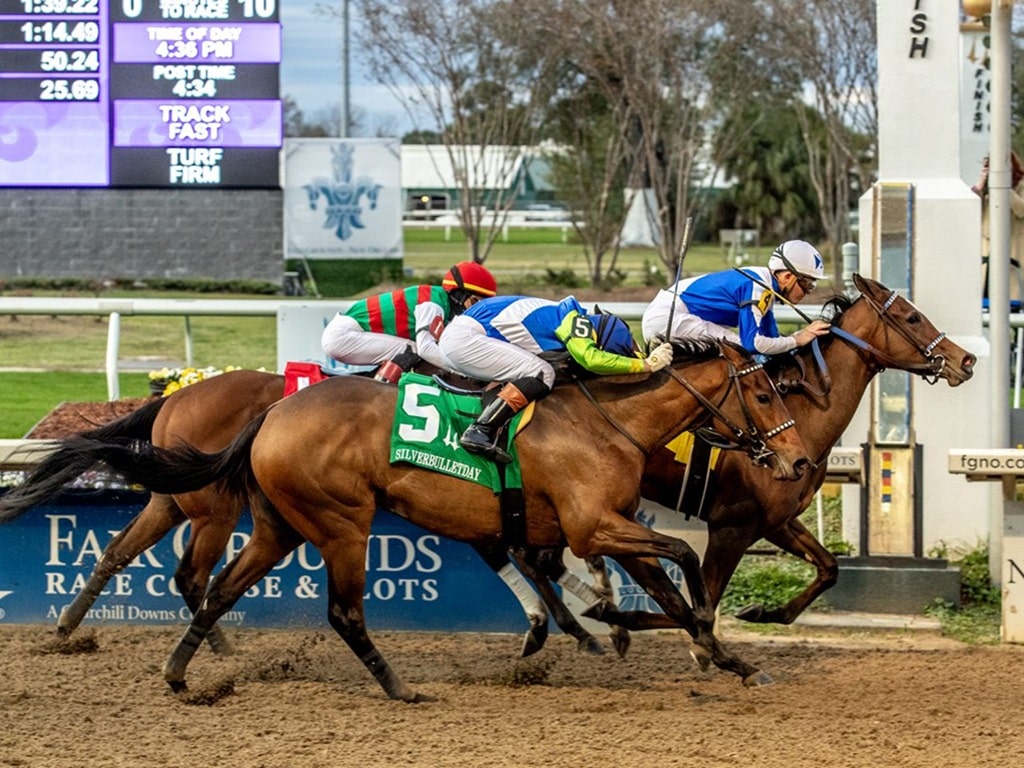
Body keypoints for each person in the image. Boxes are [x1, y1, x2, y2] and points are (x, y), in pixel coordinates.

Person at [439, 294, 673, 463]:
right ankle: (480, 430)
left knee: (537, 370)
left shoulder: (564, 316)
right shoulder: (576, 321)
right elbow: (591, 359)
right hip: (466, 338)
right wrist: (646, 365)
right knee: (542, 373)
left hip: (465, 336)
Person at [640, 239, 831, 358]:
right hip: (669, 317)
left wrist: (796, 343)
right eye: (807, 284)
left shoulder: (765, 288)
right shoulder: (758, 287)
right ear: (787, 277)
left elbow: (772, 339)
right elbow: (753, 344)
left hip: (671, 315)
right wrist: (798, 339)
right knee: (739, 351)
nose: (808, 292)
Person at [320, 261, 498, 383]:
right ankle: (381, 387)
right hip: (343, 336)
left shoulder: (439, 301)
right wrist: (465, 370)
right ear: (459, 294)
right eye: (474, 301)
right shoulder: (432, 304)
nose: (474, 309)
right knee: (414, 350)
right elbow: (426, 349)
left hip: (349, 332)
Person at [973, 151, 1024, 308]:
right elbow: (969, 213)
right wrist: (980, 187)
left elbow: (1021, 210)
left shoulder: (1020, 186)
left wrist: (1003, 188)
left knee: (1011, 310)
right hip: (986, 261)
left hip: (1012, 261)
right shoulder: (985, 191)